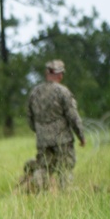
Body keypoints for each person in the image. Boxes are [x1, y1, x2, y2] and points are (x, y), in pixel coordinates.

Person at [26, 59, 86, 189]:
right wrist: (81, 136)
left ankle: (40, 193)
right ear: (60, 75)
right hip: (62, 139)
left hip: (42, 140)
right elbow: (73, 116)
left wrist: (41, 132)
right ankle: (65, 195)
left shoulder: (35, 92)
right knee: (65, 168)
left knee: (43, 167)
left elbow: (30, 119)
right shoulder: (63, 92)